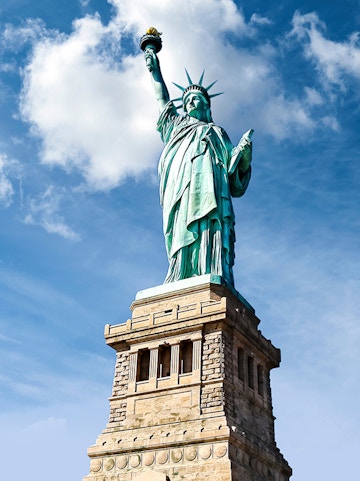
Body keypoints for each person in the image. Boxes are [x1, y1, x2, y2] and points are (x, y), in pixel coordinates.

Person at [144, 46, 252, 288]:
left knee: (210, 224)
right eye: (187, 100)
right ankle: (180, 271)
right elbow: (162, 99)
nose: (191, 101)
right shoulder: (176, 126)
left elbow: (234, 175)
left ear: (206, 105)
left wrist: (243, 157)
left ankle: (209, 268)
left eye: (197, 99)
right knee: (182, 228)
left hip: (211, 191)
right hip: (180, 187)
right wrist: (154, 72)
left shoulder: (218, 132)